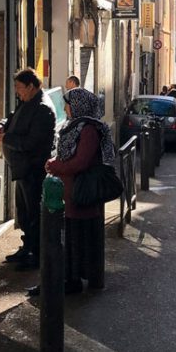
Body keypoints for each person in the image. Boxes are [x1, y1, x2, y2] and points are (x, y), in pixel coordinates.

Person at [42, 88, 114, 295]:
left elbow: (81, 162)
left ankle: (72, 281)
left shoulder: (88, 130)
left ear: (78, 106)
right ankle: (68, 278)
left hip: (78, 194)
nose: (65, 108)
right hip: (69, 192)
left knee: (75, 240)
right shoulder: (75, 126)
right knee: (70, 238)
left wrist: (56, 166)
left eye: (68, 104)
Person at [0, 69, 56, 271]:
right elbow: (13, 118)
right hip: (21, 168)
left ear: (31, 86)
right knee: (24, 213)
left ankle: (36, 255)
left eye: (20, 88)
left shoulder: (42, 108)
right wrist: (1, 125)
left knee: (34, 213)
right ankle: (27, 247)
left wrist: (6, 138)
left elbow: (32, 143)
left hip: (33, 169)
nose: (17, 92)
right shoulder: (29, 101)